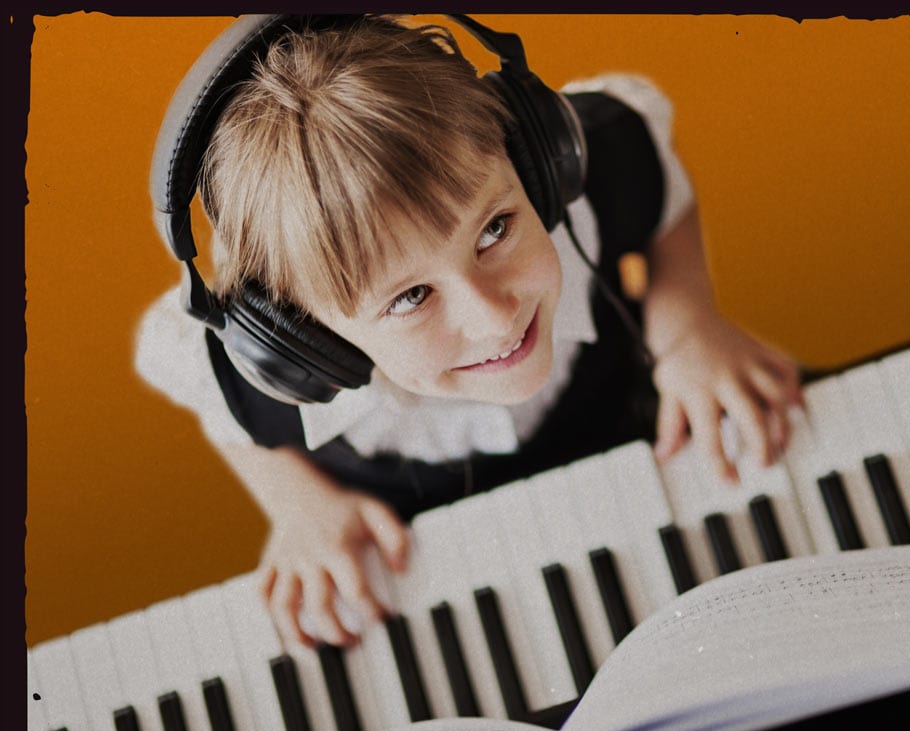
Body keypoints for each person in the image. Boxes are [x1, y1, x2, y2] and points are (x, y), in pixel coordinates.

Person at [137, 14, 802, 649]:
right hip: (434, 560)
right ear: (299, 336)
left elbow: (656, 164)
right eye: (413, 296)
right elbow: (199, 390)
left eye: (494, 230)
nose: (495, 316)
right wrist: (297, 503)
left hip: (632, 433)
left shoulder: (589, 185)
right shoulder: (246, 369)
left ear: (538, 164)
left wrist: (687, 324)